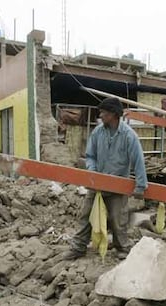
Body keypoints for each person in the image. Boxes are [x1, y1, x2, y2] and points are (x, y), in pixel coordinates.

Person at [64, 97, 148, 260]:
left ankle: (122, 248)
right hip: (97, 184)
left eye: (104, 112)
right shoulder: (97, 132)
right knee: (86, 216)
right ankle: (78, 247)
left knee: (118, 219)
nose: (100, 115)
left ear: (114, 114)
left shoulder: (129, 136)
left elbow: (138, 161)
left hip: (118, 185)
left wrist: (140, 186)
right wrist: (93, 173)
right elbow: (90, 156)